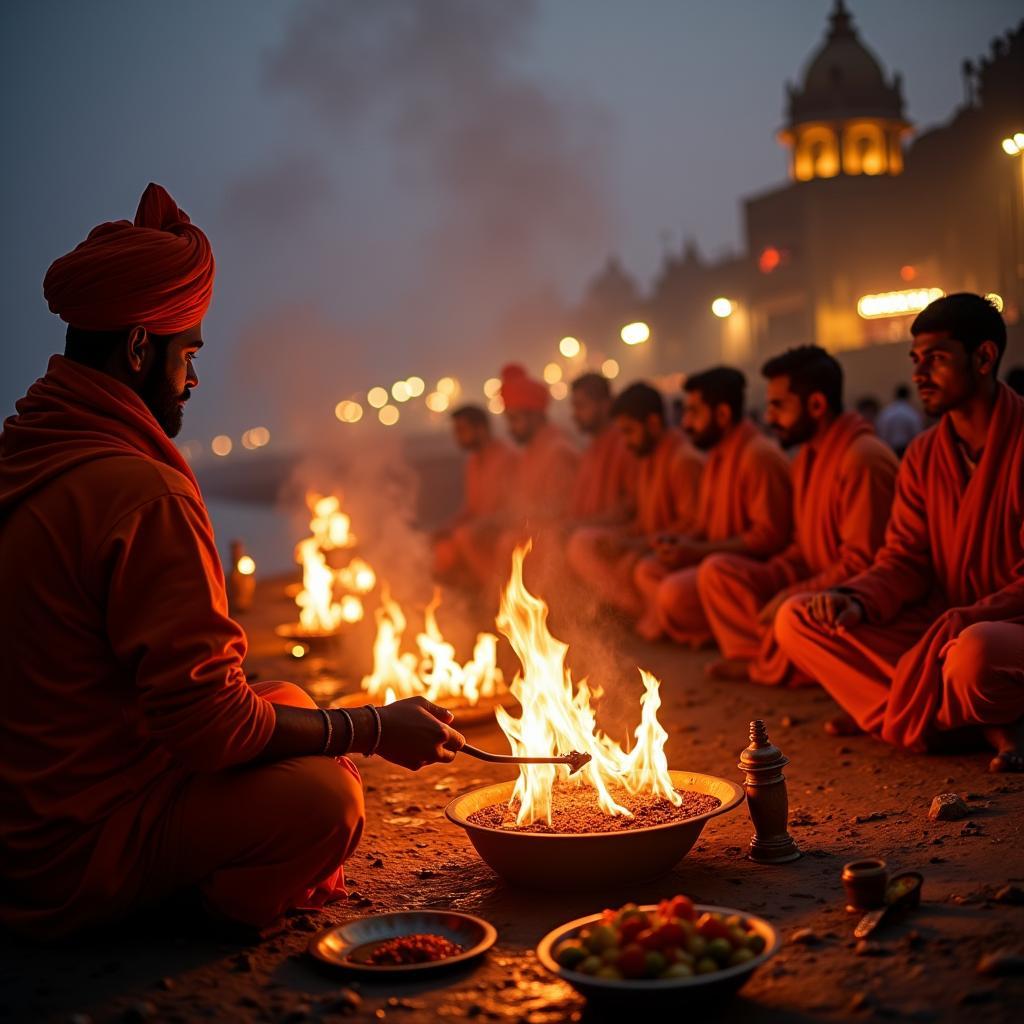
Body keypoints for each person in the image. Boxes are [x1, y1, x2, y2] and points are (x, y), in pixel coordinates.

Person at [0, 184, 465, 939]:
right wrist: (375, 728)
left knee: (288, 698)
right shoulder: (138, 491)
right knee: (325, 800)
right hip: (72, 847)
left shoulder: (30, 453)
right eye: (188, 354)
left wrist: (339, 723)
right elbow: (208, 728)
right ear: (140, 347)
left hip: (31, 812)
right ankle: (192, 908)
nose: (193, 379)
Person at [774, 294, 1024, 771]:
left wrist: (968, 617)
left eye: (937, 359)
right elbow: (904, 559)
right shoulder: (924, 454)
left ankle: (896, 709)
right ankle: (952, 716)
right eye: (915, 360)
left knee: (976, 655)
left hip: (998, 630)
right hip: (941, 623)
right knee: (797, 618)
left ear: (985, 358)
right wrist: (856, 597)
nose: (919, 374)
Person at [699, 346, 898, 683]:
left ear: (817, 405)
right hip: (815, 585)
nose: (769, 417)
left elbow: (865, 566)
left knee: (793, 612)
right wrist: (778, 580)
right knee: (718, 572)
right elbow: (802, 547)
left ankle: (782, 663)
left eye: (778, 406)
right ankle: (768, 658)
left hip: (853, 600)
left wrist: (793, 593)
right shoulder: (806, 457)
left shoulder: (862, 458)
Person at [634, 367, 792, 644]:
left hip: (748, 572)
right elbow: (704, 525)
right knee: (648, 569)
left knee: (675, 591)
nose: (685, 423)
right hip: (714, 563)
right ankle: (717, 629)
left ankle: (747, 643)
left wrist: (697, 551)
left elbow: (770, 538)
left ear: (722, 414)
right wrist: (678, 543)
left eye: (694, 413)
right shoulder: (716, 458)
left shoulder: (757, 456)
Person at [566, 382, 702, 621]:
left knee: (641, 569)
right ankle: (637, 612)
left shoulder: (682, 459)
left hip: (677, 556)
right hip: (646, 544)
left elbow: (694, 527)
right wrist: (626, 541)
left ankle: (640, 614)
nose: (626, 441)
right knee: (584, 543)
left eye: (629, 431)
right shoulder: (649, 457)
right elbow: (645, 519)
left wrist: (638, 546)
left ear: (653, 423)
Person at [432, 404, 519, 587]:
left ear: (481, 428)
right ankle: (454, 605)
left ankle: (496, 593)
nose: (458, 437)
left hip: (501, 527)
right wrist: (447, 528)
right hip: (477, 527)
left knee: (464, 536)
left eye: (462, 430)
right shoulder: (473, 462)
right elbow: (472, 508)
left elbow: (514, 508)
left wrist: (476, 526)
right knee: (441, 547)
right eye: (456, 432)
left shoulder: (507, 456)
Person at [568, 372, 636, 526]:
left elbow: (632, 504)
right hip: (586, 533)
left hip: (614, 539)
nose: (575, 415)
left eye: (581, 406)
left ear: (606, 405)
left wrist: (588, 525)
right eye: (574, 407)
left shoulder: (625, 444)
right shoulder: (590, 448)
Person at [876, 384, 923, 457]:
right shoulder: (911, 413)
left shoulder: (887, 412)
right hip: (906, 448)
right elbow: (917, 432)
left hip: (889, 447)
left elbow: (882, 430)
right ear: (908, 396)